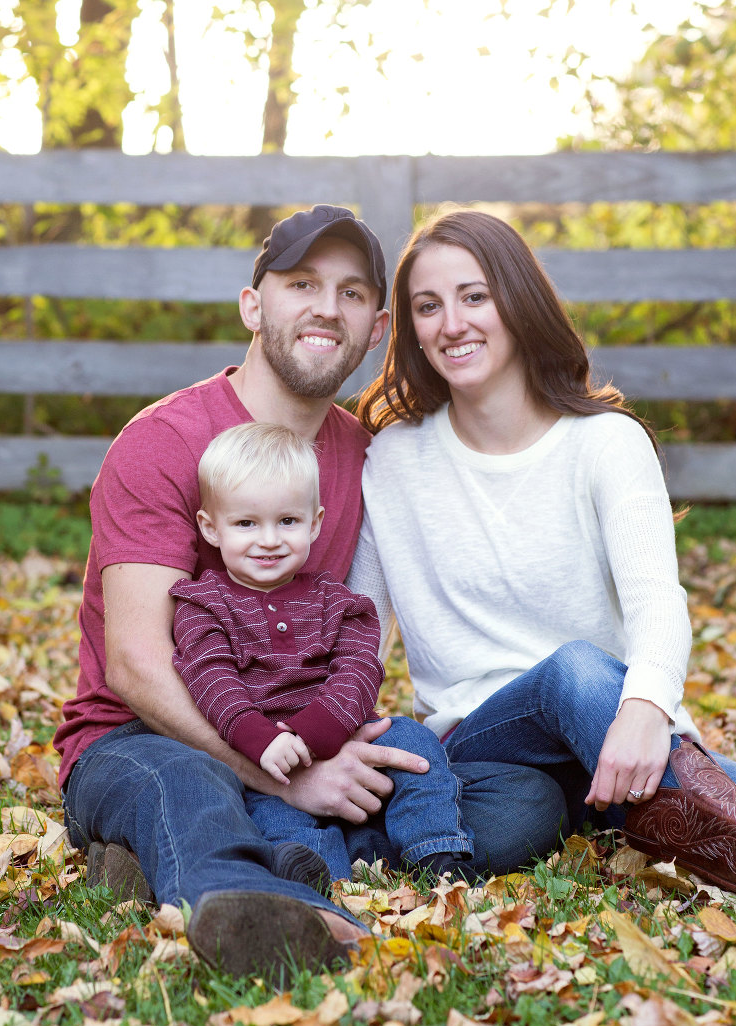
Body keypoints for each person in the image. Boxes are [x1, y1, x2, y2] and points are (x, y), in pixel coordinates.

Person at [55, 205, 559, 981]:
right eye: (301, 284)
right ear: (252, 305)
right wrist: (290, 776)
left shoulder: (366, 456)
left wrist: (332, 751)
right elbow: (135, 664)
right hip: (139, 738)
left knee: (518, 799)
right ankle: (277, 909)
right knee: (187, 782)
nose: (327, 307)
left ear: (377, 327)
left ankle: (162, 857)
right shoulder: (164, 441)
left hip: (305, 732)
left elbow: (366, 629)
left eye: (352, 293)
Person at [349, 208, 736, 904]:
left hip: (609, 729)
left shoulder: (606, 442)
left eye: (474, 296)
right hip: (482, 741)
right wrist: (336, 739)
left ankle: (606, 810)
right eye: (428, 305)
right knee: (570, 672)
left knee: (531, 814)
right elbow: (360, 627)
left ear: (517, 300)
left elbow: (657, 601)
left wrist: (645, 709)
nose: (452, 323)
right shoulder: (393, 460)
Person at [170, 420, 476, 882]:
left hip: (344, 730)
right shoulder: (203, 605)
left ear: (314, 523)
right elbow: (212, 680)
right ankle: (323, 878)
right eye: (246, 523)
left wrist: (316, 732)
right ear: (211, 529)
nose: (269, 539)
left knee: (415, 742)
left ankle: (436, 853)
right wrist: (263, 740)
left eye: (287, 521)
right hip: (265, 758)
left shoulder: (337, 601)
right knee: (269, 814)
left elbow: (359, 670)